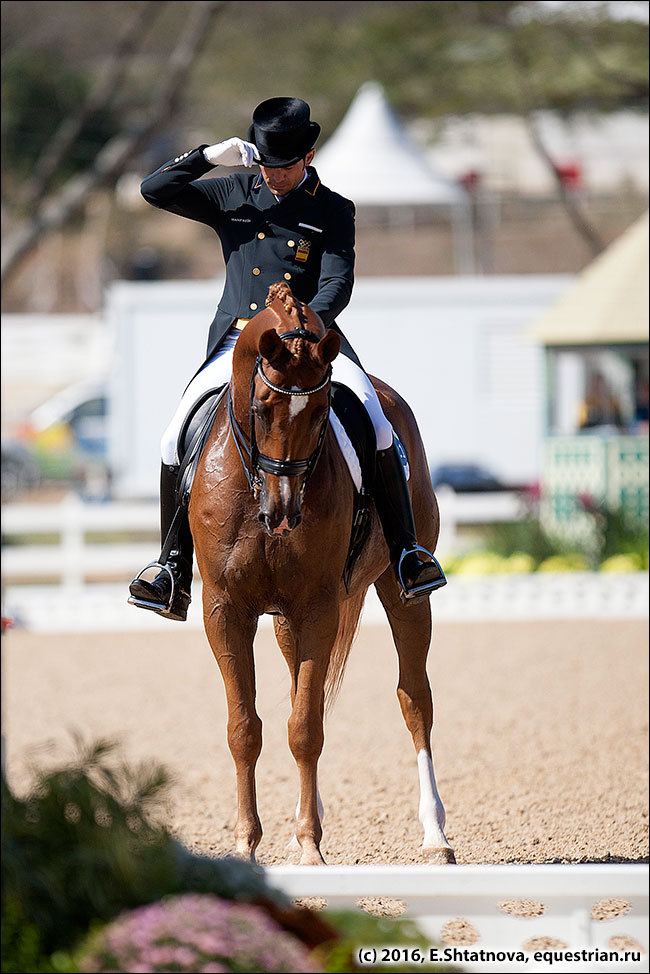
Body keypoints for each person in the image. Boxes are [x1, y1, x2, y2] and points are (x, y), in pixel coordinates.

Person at [128, 97, 446, 621]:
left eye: (286, 165)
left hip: (313, 338)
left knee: (376, 418)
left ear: (310, 156)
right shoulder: (233, 191)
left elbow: (337, 281)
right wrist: (208, 156)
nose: (275, 176)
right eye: (267, 165)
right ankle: (171, 565)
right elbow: (153, 190)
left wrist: (305, 328)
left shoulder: (333, 208)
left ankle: (408, 552)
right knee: (176, 431)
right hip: (239, 340)